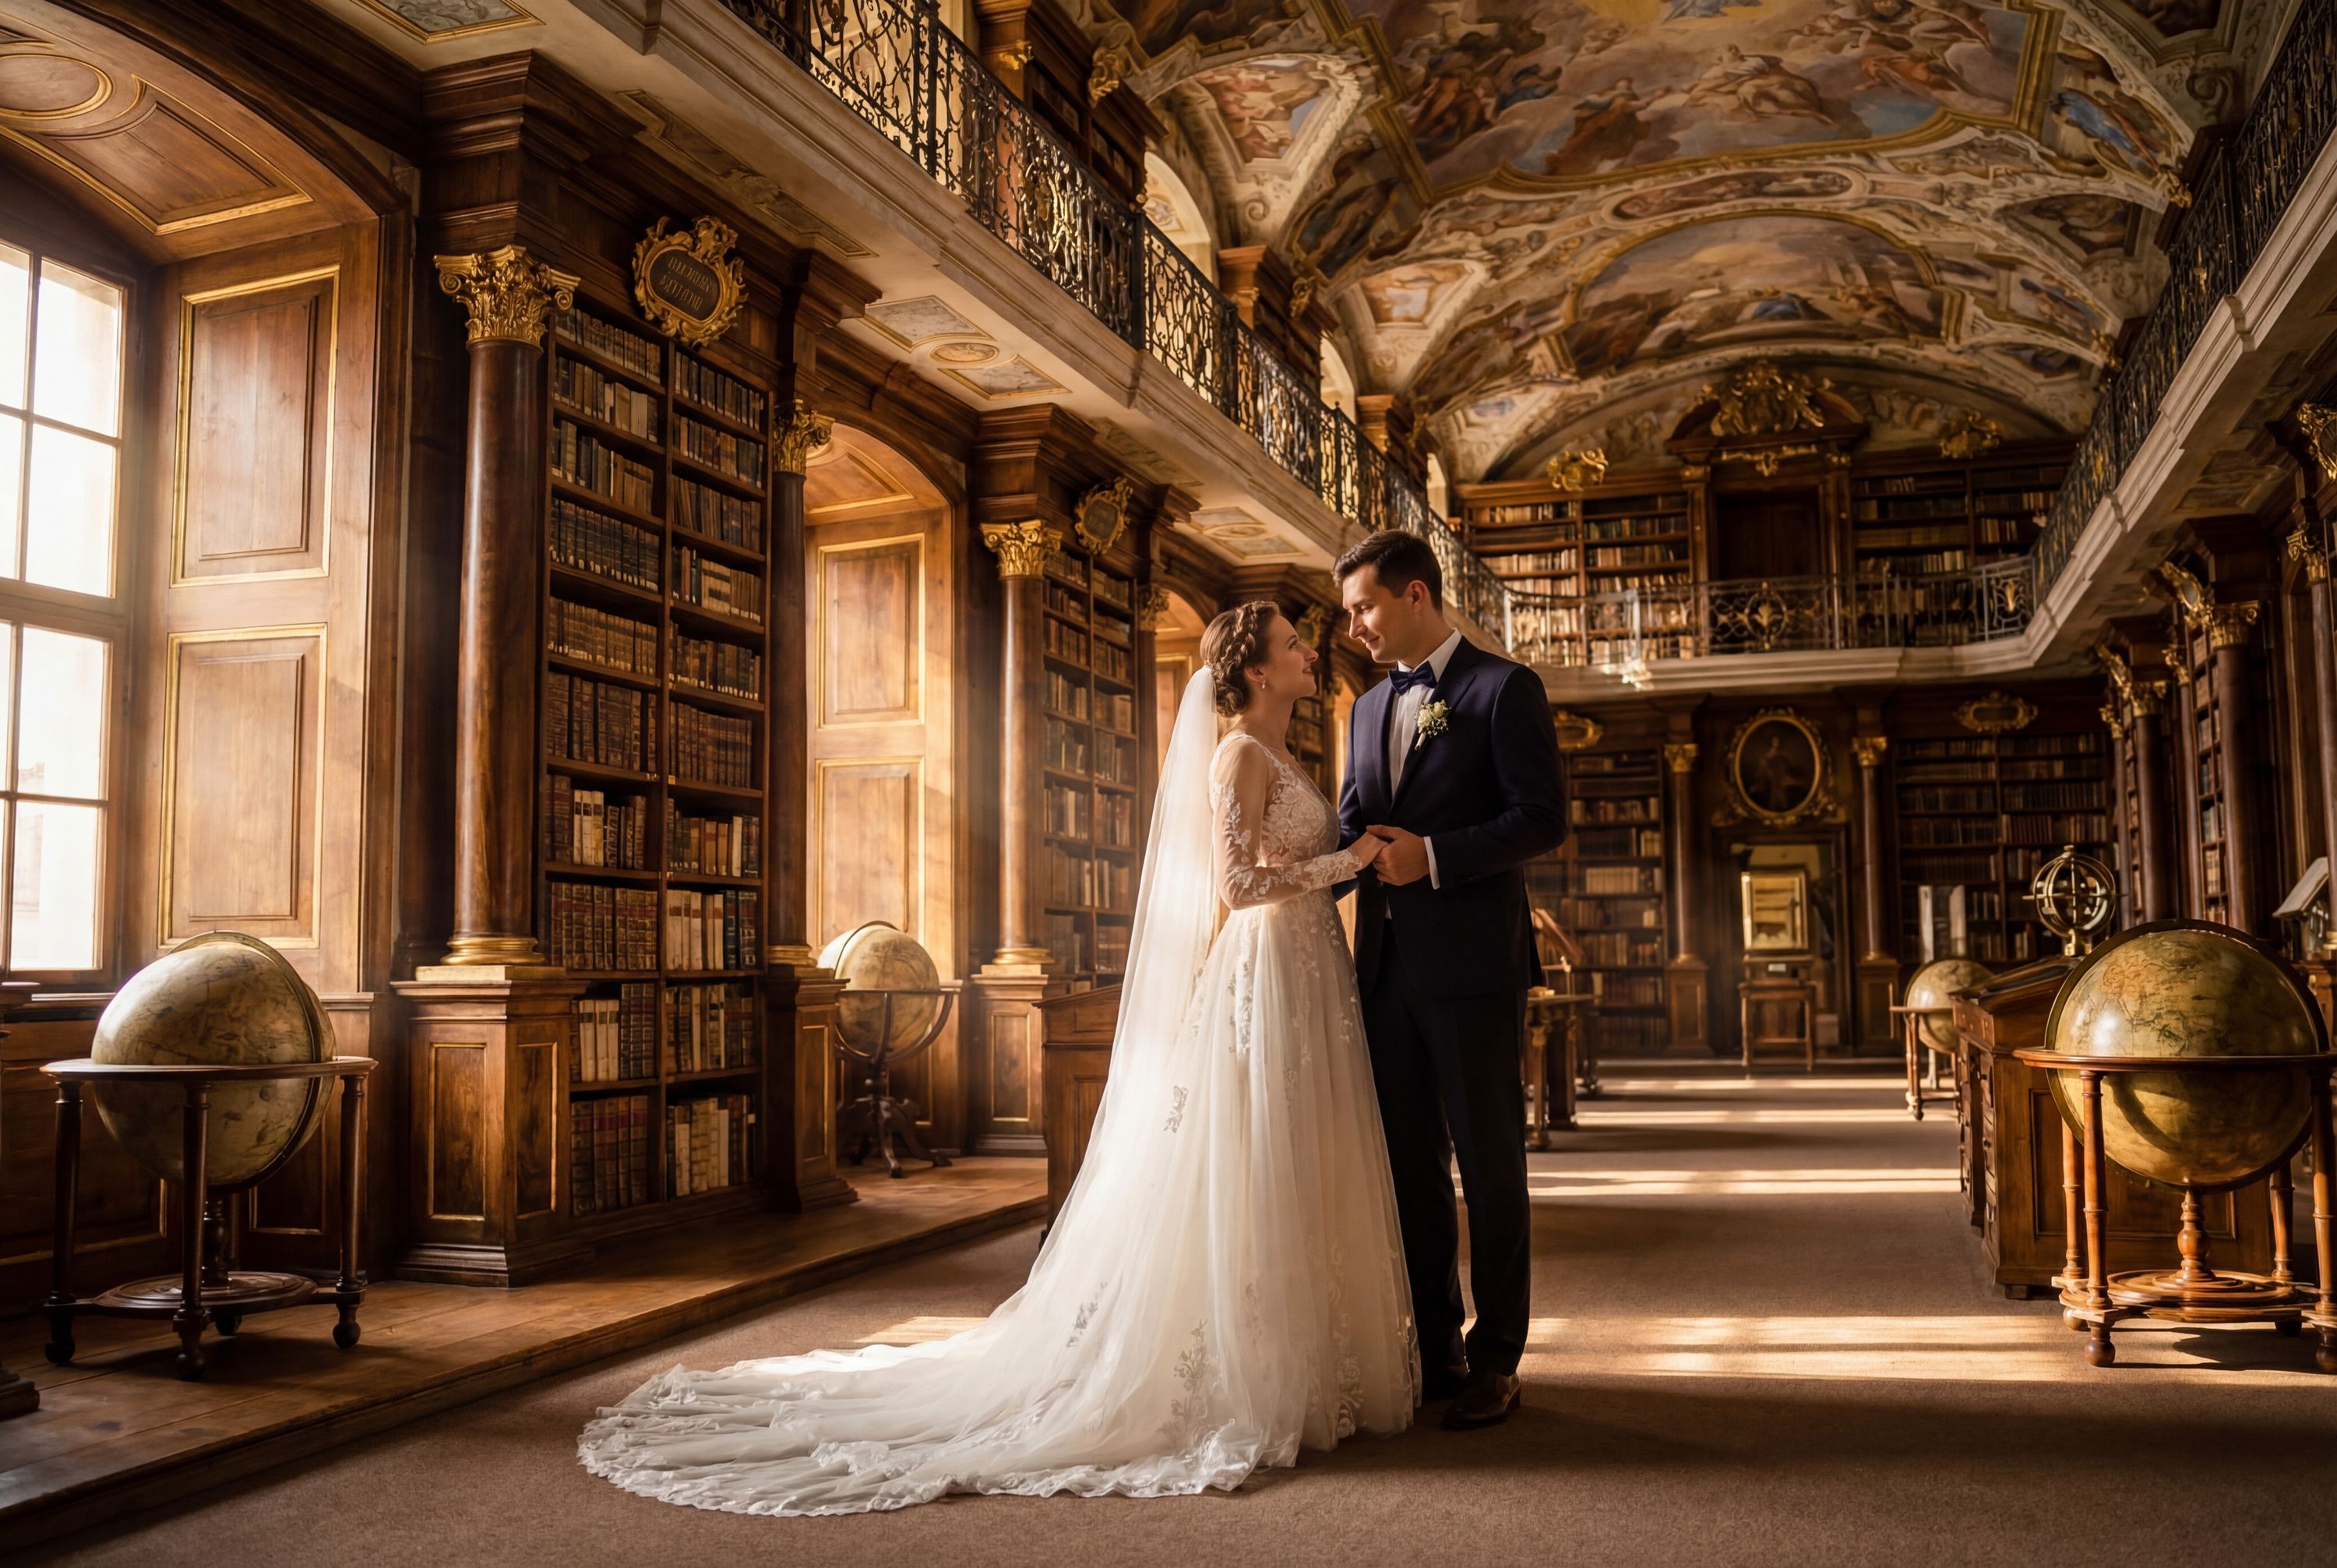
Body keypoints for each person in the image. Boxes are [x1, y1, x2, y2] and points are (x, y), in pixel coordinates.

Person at [580, 602, 1416, 1515]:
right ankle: (1246, 1372)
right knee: (1253, 1156)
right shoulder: (1239, 755)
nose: (1308, 654)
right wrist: (1350, 864)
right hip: (1265, 967)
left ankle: (1305, 1361)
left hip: (1305, 972)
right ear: (1256, 673)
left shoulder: (1286, 757)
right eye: (1294, 646)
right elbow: (1236, 883)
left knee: (1298, 1155)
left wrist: (1347, 859)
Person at [1334, 529, 1569, 1430]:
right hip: (1385, 971)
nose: (1355, 626)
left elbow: (1540, 819)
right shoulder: (1362, 711)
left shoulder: (1503, 688)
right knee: (1406, 1169)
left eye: (1366, 607)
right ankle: (1436, 1350)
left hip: (1473, 968)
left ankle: (1497, 1360)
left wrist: (1433, 857)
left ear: (1417, 595)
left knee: (1490, 1163)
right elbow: (1357, 832)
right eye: (1351, 612)